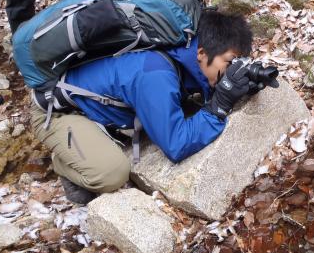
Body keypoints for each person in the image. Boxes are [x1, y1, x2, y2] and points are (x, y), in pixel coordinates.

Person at [31, 11, 255, 205]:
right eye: (230, 62)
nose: (232, 70)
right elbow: (176, 145)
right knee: (113, 174)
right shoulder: (155, 74)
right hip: (58, 112)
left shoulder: (182, 51)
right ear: (202, 53)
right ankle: (64, 162)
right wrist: (220, 105)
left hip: (94, 103)